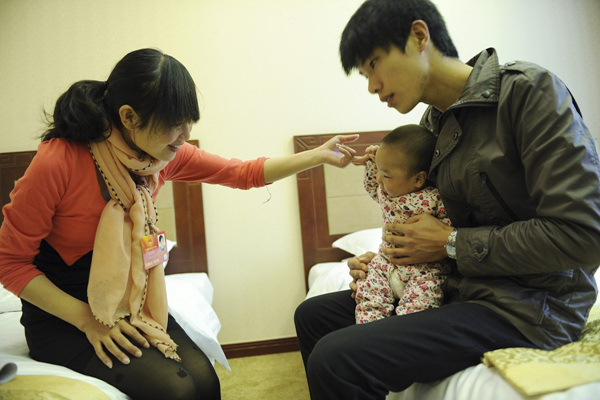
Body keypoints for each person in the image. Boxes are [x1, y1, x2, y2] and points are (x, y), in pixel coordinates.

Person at [0, 48, 358, 400]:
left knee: (206, 382)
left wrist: (318, 155)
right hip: (65, 312)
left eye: (189, 121)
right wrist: (88, 322)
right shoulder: (59, 160)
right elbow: (10, 263)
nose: (184, 135)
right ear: (129, 117)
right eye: (174, 123)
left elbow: (242, 173)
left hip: (132, 300)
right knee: (177, 390)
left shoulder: (160, 156)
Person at [294, 0, 600, 398]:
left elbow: (584, 234)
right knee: (313, 316)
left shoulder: (528, 93)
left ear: (419, 36)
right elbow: (430, 224)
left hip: (527, 306)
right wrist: (389, 263)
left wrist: (451, 242)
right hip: (460, 288)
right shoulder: (432, 127)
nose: (371, 86)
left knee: (336, 359)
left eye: (374, 64)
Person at [352, 124, 450, 323]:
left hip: (423, 269)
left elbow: (447, 225)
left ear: (419, 179)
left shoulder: (435, 198)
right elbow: (371, 185)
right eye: (379, 172)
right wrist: (372, 163)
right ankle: (368, 326)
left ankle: (404, 328)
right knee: (368, 287)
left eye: (386, 175)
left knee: (423, 300)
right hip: (386, 262)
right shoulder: (385, 192)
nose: (379, 179)